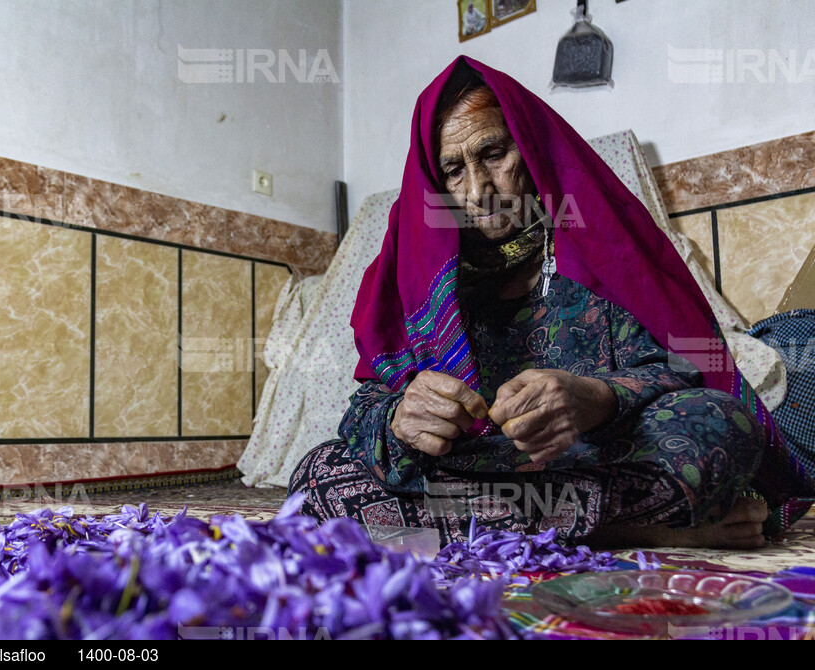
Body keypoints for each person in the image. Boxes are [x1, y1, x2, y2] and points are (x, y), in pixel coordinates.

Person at [289, 56, 814, 549]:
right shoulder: (419, 278)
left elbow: (681, 367)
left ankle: (510, 524)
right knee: (319, 472)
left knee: (721, 423)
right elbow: (365, 409)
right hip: (476, 465)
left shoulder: (594, 247)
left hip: (590, 457)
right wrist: (399, 421)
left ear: (530, 148)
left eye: (493, 154)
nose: (477, 190)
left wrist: (596, 397)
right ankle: (643, 529)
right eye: (453, 170)